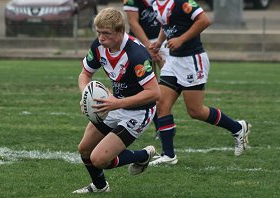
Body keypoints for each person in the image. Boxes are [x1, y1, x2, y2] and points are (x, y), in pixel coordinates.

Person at [149, 0, 251, 166]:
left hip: (192, 60)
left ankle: (238, 128)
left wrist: (181, 39)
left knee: (195, 111)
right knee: (161, 104)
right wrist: (159, 42)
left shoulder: (182, 2)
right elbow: (165, 25)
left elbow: (204, 20)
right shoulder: (156, 4)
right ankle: (168, 155)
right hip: (174, 61)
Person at [73, 7, 161, 194]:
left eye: (106, 33)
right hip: (113, 102)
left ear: (120, 32)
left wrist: (117, 103)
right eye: (98, 33)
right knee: (85, 150)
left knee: (99, 159)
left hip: (139, 111)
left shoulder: (137, 54)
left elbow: (154, 93)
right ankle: (100, 187)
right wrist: (85, 94)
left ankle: (143, 155)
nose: (101, 38)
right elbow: (84, 75)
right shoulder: (98, 47)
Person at [123, 0, 168, 74]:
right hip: (139, 41)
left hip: (162, 38)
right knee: (148, 77)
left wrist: (160, 41)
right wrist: (148, 46)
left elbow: (167, 19)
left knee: (169, 74)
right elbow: (132, 22)